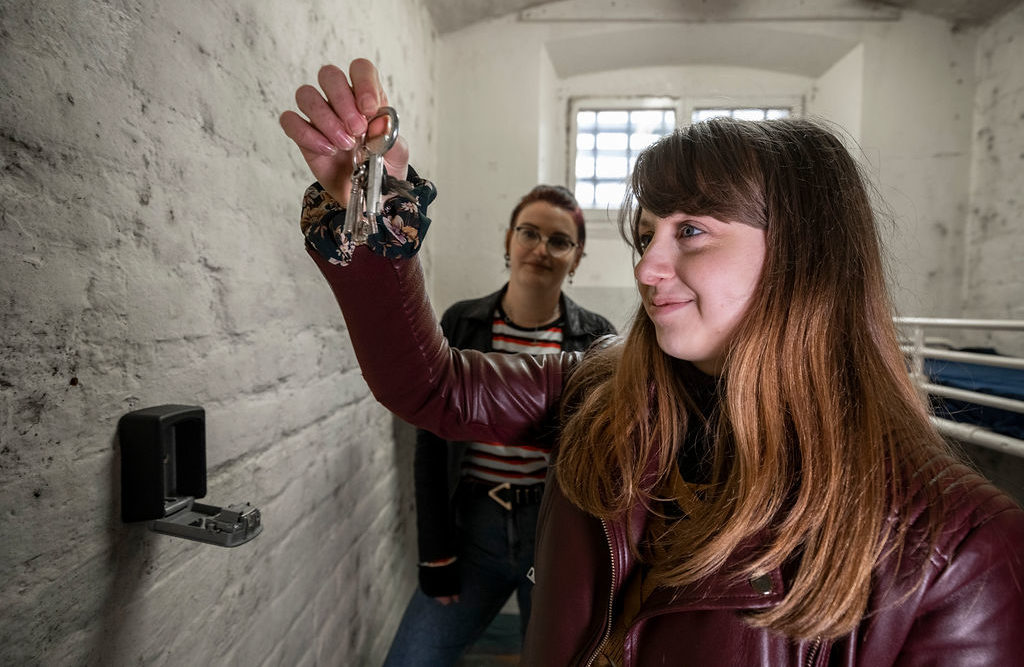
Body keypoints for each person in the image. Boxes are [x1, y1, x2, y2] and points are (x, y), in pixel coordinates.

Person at [280, 60, 1024, 666]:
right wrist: (371, 224)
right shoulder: (600, 384)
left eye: (692, 230)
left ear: (805, 254)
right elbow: (432, 384)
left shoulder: (959, 552)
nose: (648, 268)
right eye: (647, 235)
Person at [382, 184, 615, 665]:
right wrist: (435, 554)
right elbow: (431, 449)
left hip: (555, 531)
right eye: (529, 232)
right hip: (474, 528)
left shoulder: (597, 338)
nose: (541, 249)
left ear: (577, 258)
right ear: (509, 239)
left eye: (560, 241)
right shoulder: (461, 322)